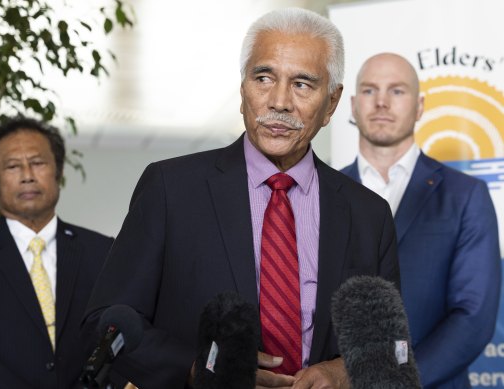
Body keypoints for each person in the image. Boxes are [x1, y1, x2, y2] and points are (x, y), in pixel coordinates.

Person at [85, 8, 400, 389]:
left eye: (302, 84)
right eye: (263, 77)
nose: (279, 101)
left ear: (331, 104)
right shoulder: (170, 189)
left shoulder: (369, 214)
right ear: (242, 89)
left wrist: (345, 369)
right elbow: (109, 319)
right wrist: (201, 369)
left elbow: (390, 345)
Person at [341, 52, 501, 388]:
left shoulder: (465, 195)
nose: (382, 102)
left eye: (397, 91)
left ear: (420, 106)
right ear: (354, 105)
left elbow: (473, 318)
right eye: (370, 91)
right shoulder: (323, 192)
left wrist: (399, 382)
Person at [0, 117, 114, 388]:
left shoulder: (102, 251)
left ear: (59, 172)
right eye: (13, 166)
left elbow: (117, 340)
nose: (27, 175)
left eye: (38, 163)